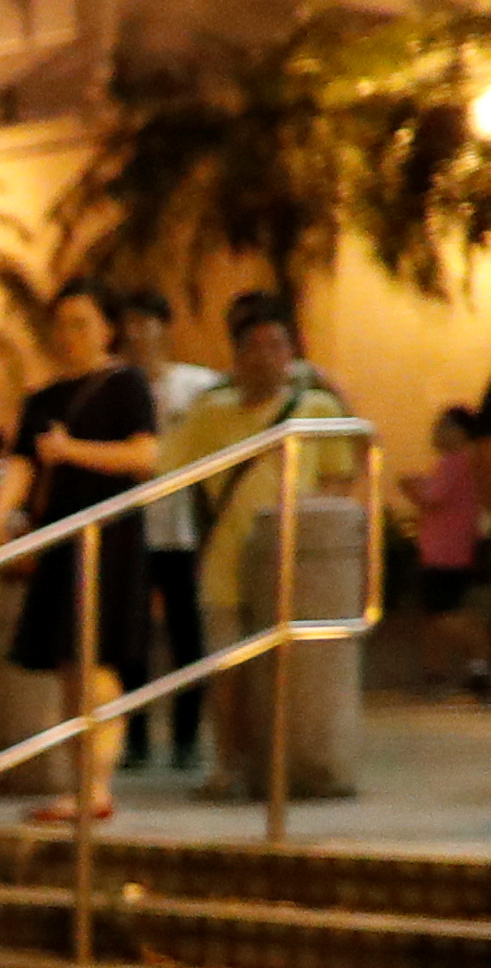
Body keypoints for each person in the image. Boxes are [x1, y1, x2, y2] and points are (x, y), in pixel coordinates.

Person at [151, 291, 353, 796]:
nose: (266, 356)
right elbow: (164, 464)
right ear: (237, 356)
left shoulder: (315, 407)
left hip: (293, 562)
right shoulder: (211, 412)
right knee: (227, 667)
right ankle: (230, 764)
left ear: (292, 354)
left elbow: (341, 474)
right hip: (226, 557)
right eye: (254, 346)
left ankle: (288, 765)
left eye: (277, 345)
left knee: (286, 668)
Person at [6, 281, 161, 821]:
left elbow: (144, 455)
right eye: (62, 323)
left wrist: (72, 451)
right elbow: (22, 465)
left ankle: (95, 786)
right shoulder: (43, 398)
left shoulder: (125, 385)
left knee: (96, 661)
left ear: (107, 328)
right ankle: (80, 784)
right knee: (69, 665)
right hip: (59, 538)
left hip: (109, 538)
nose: (69, 335)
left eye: (82, 323)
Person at [121, 289, 226, 769]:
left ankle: (186, 737)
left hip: (183, 528)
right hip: (129, 525)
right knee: (131, 638)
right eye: (130, 323)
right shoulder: (118, 387)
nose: (137, 333)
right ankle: (134, 737)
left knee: (188, 636)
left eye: (146, 322)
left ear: (165, 326)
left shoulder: (198, 385)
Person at [398, 407, 481, 696]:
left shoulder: (453, 463)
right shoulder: (466, 464)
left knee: (444, 613)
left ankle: (480, 655)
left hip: (445, 552)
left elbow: (432, 499)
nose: (437, 431)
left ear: (460, 432)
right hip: (450, 549)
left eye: (444, 426)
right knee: (434, 614)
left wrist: (408, 487)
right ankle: (436, 671)